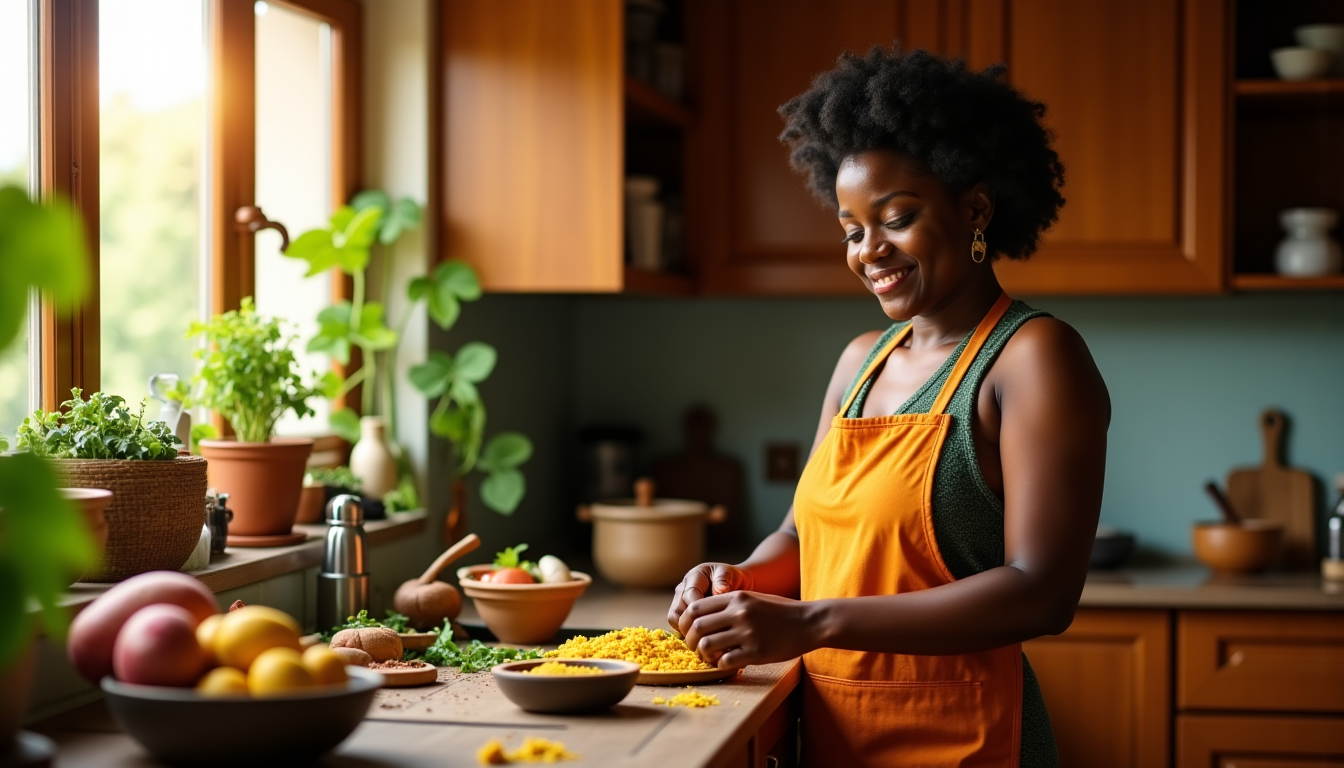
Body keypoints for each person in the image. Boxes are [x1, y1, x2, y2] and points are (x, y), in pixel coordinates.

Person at [667, 46, 1110, 768]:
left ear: (975, 208)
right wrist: (739, 580)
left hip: (968, 742)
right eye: (850, 228)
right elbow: (804, 538)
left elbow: (1042, 592)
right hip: (838, 730)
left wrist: (810, 622)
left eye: (896, 218)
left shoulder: (1033, 358)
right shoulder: (859, 361)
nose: (869, 250)